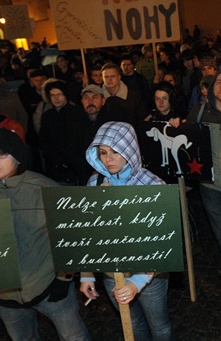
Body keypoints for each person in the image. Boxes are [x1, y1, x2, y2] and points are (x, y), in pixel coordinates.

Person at [0, 128, 90, 341]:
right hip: (4, 296)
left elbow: (73, 235)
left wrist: (64, 278)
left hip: (48, 287)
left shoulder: (43, 189)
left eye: (0, 154)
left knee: (73, 337)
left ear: (17, 157)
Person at [79, 121, 174, 341]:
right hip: (113, 273)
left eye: (115, 151)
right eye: (102, 153)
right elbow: (87, 230)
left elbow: (162, 240)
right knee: (132, 322)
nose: (108, 159)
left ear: (130, 150)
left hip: (149, 275)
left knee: (159, 326)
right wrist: (86, 273)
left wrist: (138, 281)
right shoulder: (95, 183)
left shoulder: (152, 185)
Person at [170, 69, 221, 296]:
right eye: (219, 82)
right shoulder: (200, 112)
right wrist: (177, 124)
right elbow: (185, 136)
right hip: (210, 187)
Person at [101, 62, 147, 129]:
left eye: (113, 76)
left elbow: (141, 118)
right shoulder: (98, 97)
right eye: (106, 77)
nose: (109, 79)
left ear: (119, 77)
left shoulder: (133, 96)